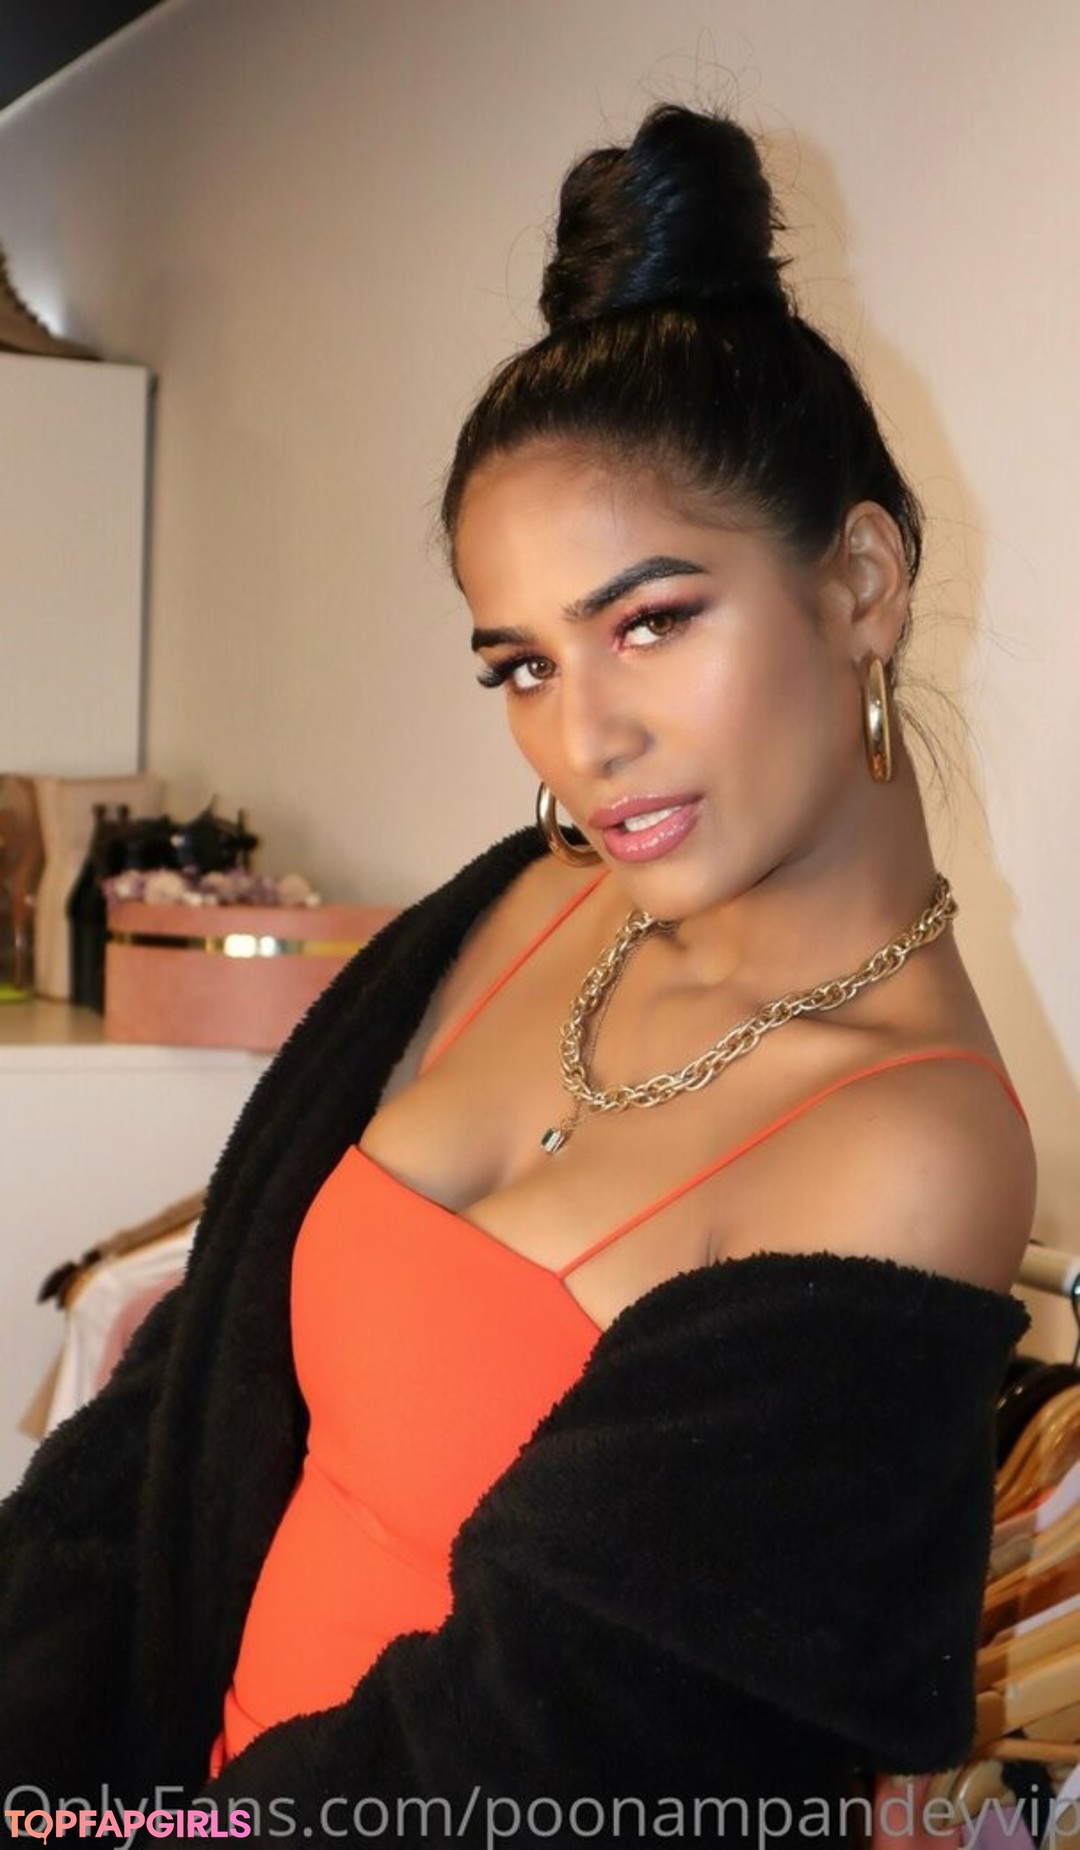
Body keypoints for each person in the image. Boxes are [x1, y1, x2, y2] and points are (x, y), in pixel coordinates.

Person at [1, 105, 1036, 1847]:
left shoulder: (910, 1148)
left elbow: (558, 1753)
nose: (584, 741)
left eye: (651, 621)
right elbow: (191, 1410)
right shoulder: (529, 904)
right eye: (523, 665)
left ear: (861, 582)